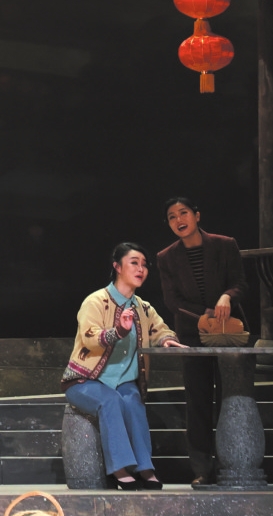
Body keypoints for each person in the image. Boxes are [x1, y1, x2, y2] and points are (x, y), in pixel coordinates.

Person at [63, 242, 184, 490]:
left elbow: (160, 329)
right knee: (110, 401)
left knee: (133, 402)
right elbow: (90, 337)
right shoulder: (95, 301)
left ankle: (145, 468)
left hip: (123, 383)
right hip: (85, 381)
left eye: (144, 265)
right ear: (117, 267)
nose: (141, 269)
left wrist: (166, 340)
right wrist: (118, 331)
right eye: (134, 263)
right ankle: (119, 469)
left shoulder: (143, 308)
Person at [157, 197, 247, 485]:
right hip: (192, 334)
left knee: (230, 396)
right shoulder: (166, 257)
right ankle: (201, 469)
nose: (178, 220)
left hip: (228, 331)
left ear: (197, 215)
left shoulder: (224, 244)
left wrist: (227, 296)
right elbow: (172, 300)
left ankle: (232, 463)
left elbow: (240, 283)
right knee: (197, 400)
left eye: (183, 213)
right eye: (172, 217)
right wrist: (204, 314)